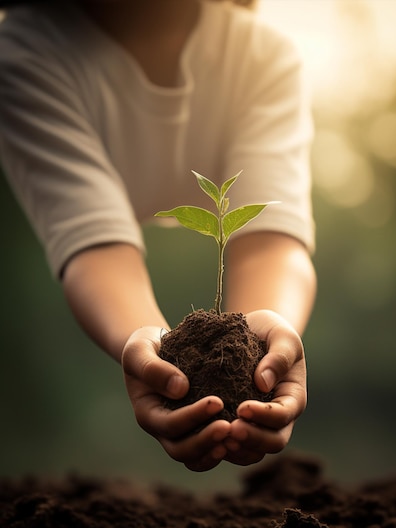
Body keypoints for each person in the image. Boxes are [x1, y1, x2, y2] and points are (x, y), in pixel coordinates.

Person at [0, 0, 316, 472]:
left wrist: (265, 339)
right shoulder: (26, 55)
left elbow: (270, 241)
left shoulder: (259, 56)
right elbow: (95, 246)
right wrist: (150, 348)